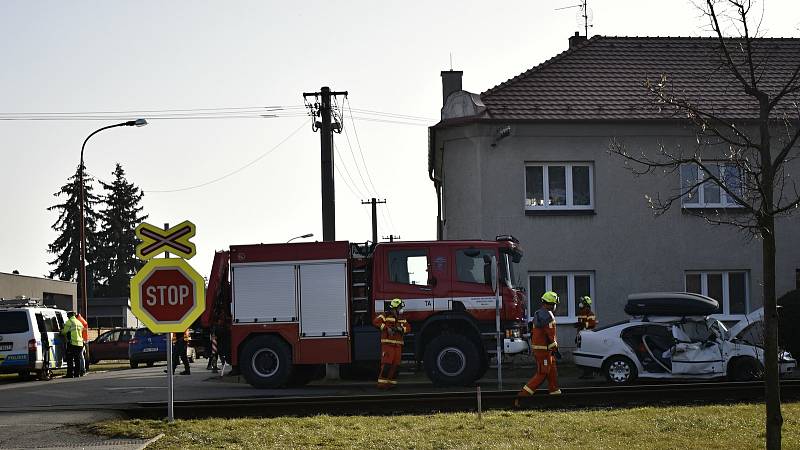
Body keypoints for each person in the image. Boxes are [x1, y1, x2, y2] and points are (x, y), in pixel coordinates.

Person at [515, 291, 561, 407]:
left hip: (542, 350)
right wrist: (555, 347)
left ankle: (555, 394)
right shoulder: (548, 316)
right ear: (551, 304)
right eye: (555, 304)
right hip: (544, 351)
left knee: (552, 370)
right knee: (543, 373)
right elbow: (551, 335)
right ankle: (522, 397)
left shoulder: (539, 313)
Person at [373, 298, 410, 389]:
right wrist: (387, 328)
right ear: (395, 307)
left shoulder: (401, 318)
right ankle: (382, 384)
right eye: (400, 307)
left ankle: (391, 384)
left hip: (398, 345)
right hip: (388, 345)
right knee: (386, 365)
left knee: (396, 366)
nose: (401, 309)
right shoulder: (385, 315)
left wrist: (401, 329)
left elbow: (408, 328)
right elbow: (376, 321)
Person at [575, 296, 597, 379]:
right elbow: (580, 325)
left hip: (588, 336)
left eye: (582, 303)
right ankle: (586, 372)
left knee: (587, 354)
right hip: (582, 336)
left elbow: (592, 324)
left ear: (585, 304)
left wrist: (583, 325)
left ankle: (590, 373)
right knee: (583, 354)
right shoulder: (582, 313)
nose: (580, 304)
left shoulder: (590, 314)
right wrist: (577, 336)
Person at [60, 311, 84, 378]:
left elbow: (64, 332)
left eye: (68, 316)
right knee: (77, 359)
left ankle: (70, 374)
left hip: (72, 343)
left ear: (69, 316)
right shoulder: (79, 322)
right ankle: (77, 374)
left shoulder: (69, 322)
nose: (67, 317)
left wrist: (60, 331)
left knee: (70, 359)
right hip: (80, 344)